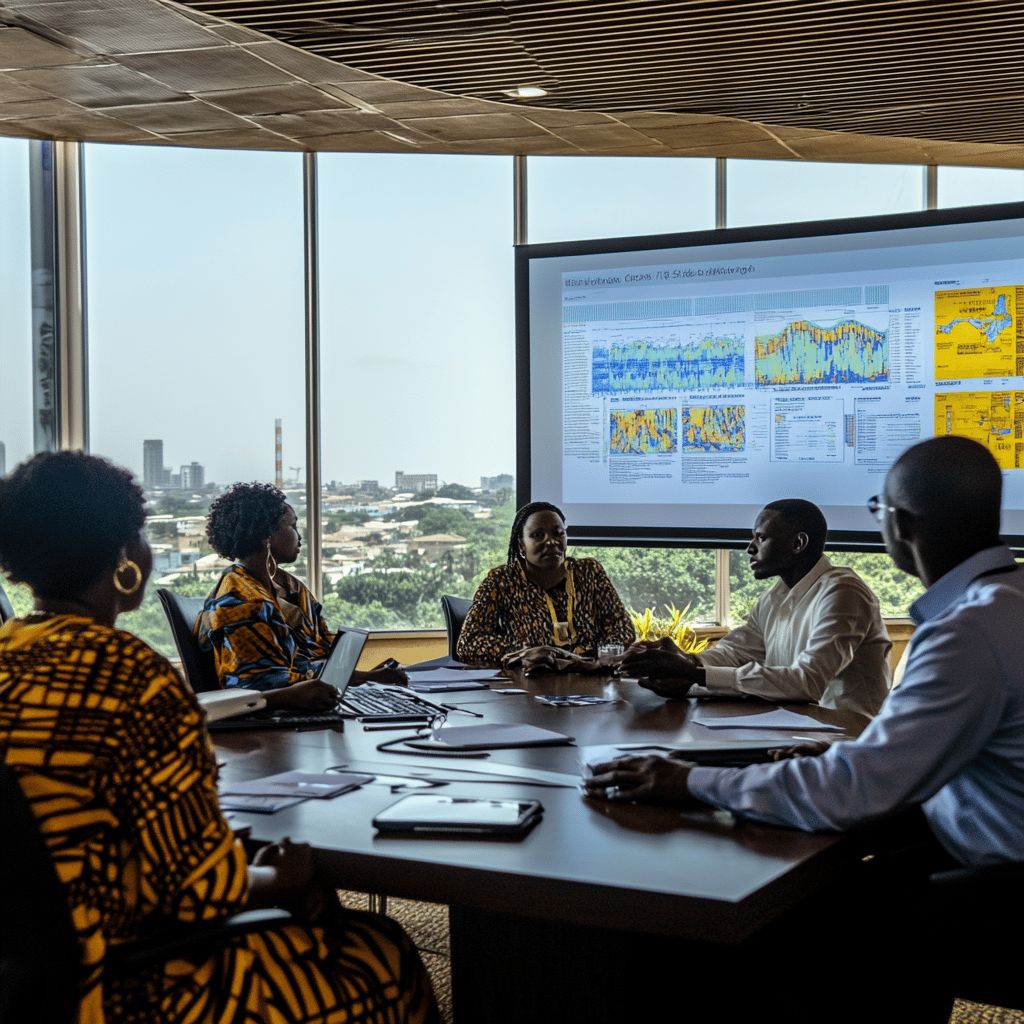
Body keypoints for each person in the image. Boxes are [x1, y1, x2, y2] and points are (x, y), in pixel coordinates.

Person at [587, 436, 1024, 1019]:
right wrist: (689, 666)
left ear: (900, 524)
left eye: (877, 509)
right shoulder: (1007, 602)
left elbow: (854, 787)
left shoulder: (962, 631)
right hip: (962, 832)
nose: (750, 545)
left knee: (780, 925)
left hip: (1005, 887)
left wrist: (688, 782)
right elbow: (740, 651)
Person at [0, 451, 437, 1024]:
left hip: (29, 980)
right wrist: (278, 875)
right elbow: (200, 889)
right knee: (381, 947)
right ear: (126, 560)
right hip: (130, 989)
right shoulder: (133, 677)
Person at [622, 498, 891, 716]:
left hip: (850, 737)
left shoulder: (843, 592)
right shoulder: (775, 596)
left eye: (761, 538)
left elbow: (808, 682)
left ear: (798, 544)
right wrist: (684, 662)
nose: (750, 548)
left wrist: (695, 674)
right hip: (798, 728)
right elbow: (735, 652)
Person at [196, 482, 407, 710]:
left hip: (313, 705)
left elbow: (323, 660)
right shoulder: (241, 600)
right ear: (266, 534)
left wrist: (368, 676)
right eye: (293, 526)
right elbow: (258, 687)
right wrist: (364, 679)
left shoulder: (290, 588)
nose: (300, 537)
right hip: (274, 724)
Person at [456, 501, 635, 666]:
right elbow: (469, 642)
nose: (550, 541)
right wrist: (521, 654)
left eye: (558, 533)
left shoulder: (589, 572)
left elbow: (623, 629)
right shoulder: (501, 581)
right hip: (527, 686)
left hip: (590, 680)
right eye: (538, 535)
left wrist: (586, 658)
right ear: (521, 545)